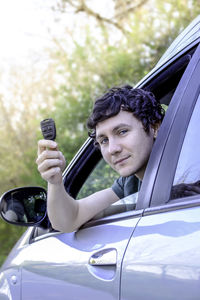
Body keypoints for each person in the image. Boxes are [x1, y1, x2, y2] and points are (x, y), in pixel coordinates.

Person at [36, 85, 165, 232]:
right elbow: (69, 220)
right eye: (104, 140)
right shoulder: (129, 183)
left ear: (154, 127)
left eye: (122, 132)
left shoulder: (185, 167)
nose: (112, 149)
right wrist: (54, 182)